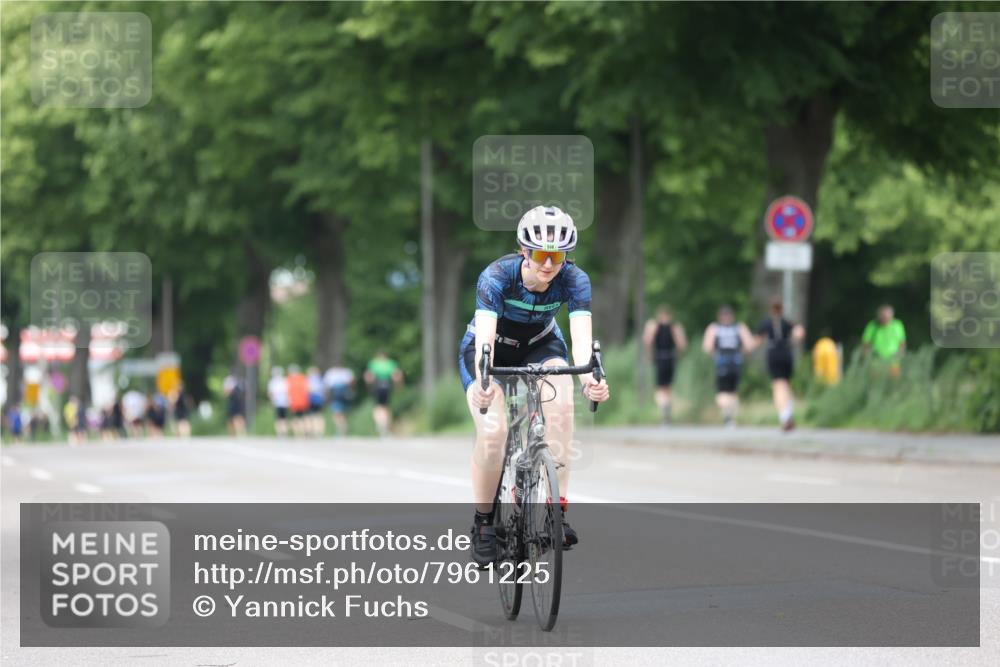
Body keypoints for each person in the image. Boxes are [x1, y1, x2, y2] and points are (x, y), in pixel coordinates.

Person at [459, 205, 610, 567]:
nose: (549, 264)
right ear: (524, 251)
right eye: (541, 254)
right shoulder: (496, 276)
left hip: (542, 344)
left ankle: (557, 513)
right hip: (491, 347)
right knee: (494, 432)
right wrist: (484, 381)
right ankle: (482, 524)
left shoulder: (574, 279)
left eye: (558, 256)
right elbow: (485, 340)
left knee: (562, 405)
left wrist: (592, 378)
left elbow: (581, 339)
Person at [755, 298, 805, 432]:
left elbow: (757, 341)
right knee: (786, 384)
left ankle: (784, 416)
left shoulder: (767, 322)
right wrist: (794, 342)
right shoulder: (787, 321)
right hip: (786, 353)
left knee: (778, 386)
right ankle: (788, 412)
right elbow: (799, 332)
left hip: (774, 354)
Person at [702, 305, 755, 428]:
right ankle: (730, 415)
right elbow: (750, 345)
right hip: (735, 362)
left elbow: (707, 347)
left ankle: (727, 415)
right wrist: (742, 352)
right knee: (732, 391)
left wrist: (714, 355)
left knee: (722, 392)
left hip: (722, 362)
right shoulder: (739, 328)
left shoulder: (714, 328)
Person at [642, 305, 687, 424]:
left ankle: (664, 411)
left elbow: (648, 341)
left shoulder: (654, 326)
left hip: (660, 357)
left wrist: (649, 355)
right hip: (671, 358)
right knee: (668, 386)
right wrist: (678, 354)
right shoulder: (675, 327)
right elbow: (682, 345)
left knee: (660, 388)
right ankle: (667, 409)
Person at [364, 351, 403, 437]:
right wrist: (398, 386)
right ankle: (386, 424)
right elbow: (396, 375)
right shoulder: (391, 363)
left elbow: (369, 376)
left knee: (377, 406)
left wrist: (368, 386)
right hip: (387, 385)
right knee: (386, 406)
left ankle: (379, 423)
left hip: (377, 385)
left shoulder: (374, 363)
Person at [862, 304, 906, 377]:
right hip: (875, 361)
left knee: (894, 383)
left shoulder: (897, 325)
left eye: (887, 317)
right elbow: (866, 343)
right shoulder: (872, 325)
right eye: (883, 316)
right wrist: (867, 357)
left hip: (893, 362)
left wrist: (900, 355)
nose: (885, 318)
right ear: (879, 316)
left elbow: (902, 343)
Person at [323, 364, 355, 436]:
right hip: (344, 393)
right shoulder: (346, 371)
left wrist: (327, 396)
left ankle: (340, 429)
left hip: (336, 394)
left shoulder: (331, 372)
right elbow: (352, 382)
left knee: (336, 412)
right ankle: (344, 429)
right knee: (343, 412)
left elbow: (327, 385)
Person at [286, 365, 310, 436]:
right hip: (303, 401)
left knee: (295, 418)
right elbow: (307, 389)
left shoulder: (289, 379)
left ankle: (297, 433)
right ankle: (305, 431)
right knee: (304, 417)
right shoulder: (303, 378)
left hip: (294, 402)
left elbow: (287, 391)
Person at [267, 367, 290, 436]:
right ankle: (284, 432)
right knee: (284, 418)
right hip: (284, 402)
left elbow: (270, 393)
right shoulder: (284, 380)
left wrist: (272, 400)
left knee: (278, 418)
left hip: (278, 402)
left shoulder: (273, 382)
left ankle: (280, 432)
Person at [306, 366, 325, 436]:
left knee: (311, 416)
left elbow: (307, 389)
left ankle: (312, 430)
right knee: (319, 415)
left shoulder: (308, 379)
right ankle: (319, 431)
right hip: (319, 399)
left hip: (311, 399)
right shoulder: (320, 379)